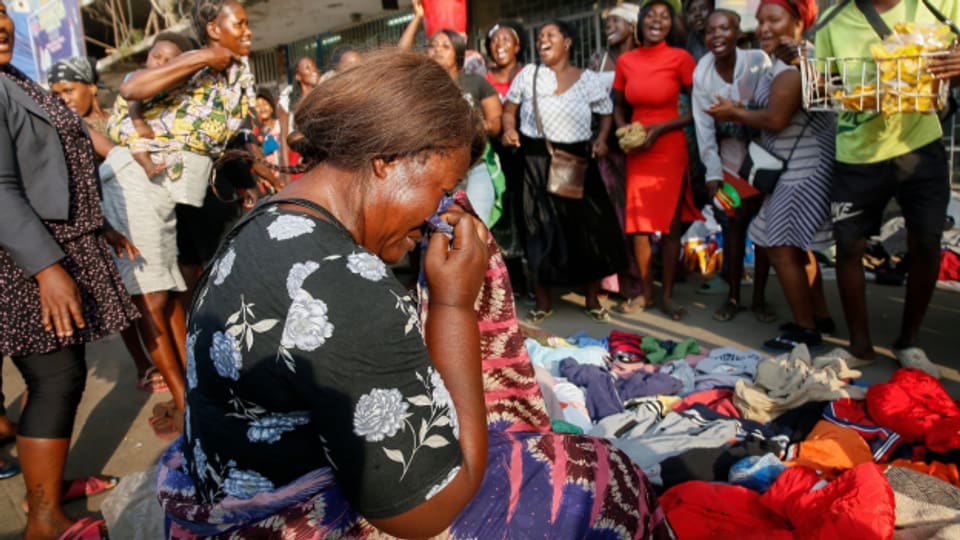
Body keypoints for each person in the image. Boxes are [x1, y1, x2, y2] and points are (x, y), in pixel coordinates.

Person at [156, 48, 674, 539]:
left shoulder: (263, 223)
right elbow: (426, 510)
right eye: (443, 188)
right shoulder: (344, 281)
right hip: (287, 521)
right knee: (602, 478)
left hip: (229, 499)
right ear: (387, 160)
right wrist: (453, 307)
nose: (443, 210)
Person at [0, 1, 141, 537]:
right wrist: (47, 269)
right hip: (28, 259)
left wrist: (95, 222)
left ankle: (50, 484)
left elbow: (50, 162)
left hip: (56, 242)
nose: (0, 24)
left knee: (61, 376)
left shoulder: (12, 77)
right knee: (54, 377)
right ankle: (44, 519)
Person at [106, 0, 261, 436]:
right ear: (213, 28)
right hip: (137, 180)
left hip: (171, 189)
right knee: (154, 296)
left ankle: (194, 395)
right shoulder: (201, 62)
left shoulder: (238, 71)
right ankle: (186, 405)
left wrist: (253, 171)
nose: (248, 31)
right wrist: (199, 56)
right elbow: (132, 89)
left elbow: (217, 135)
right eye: (240, 23)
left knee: (174, 291)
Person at [815, 0, 960, 377]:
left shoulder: (942, 5)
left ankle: (909, 341)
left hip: (919, 144)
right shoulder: (833, 19)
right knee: (849, 246)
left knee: (927, 241)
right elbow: (825, 82)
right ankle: (859, 346)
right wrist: (812, 73)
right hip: (857, 151)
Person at [705, 0, 835, 351]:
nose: (763, 28)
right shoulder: (782, 62)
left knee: (778, 245)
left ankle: (805, 330)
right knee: (794, 245)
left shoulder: (795, 63)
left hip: (801, 170)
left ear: (798, 22)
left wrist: (735, 112)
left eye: (773, 20)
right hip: (793, 168)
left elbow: (777, 118)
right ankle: (818, 314)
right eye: (760, 21)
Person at [502, 20, 628, 323]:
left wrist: (600, 139)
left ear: (567, 42)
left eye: (550, 35)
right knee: (539, 231)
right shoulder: (529, 75)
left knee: (586, 231)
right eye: (541, 36)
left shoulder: (587, 79)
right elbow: (509, 109)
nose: (543, 40)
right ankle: (543, 301)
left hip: (577, 163)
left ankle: (591, 299)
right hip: (536, 161)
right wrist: (508, 129)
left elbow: (606, 112)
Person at [613, 0, 701, 320]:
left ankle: (667, 296)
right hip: (638, 151)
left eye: (664, 17)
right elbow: (619, 106)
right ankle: (646, 293)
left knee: (671, 226)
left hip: (669, 146)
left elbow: (696, 109)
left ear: (671, 25)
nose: (657, 21)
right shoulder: (626, 61)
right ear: (640, 22)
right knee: (639, 226)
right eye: (651, 15)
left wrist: (661, 128)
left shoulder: (681, 58)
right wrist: (624, 129)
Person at [691, 9, 775, 324]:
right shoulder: (702, 73)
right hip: (728, 160)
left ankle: (760, 299)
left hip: (765, 156)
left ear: (737, 32)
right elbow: (703, 126)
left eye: (724, 29)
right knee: (733, 225)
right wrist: (712, 172)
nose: (716, 36)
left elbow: (772, 110)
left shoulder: (758, 62)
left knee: (764, 229)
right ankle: (734, 297)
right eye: (710, 31)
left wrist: (737, 110)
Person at [589, 3, 647, 308]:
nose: (609, 25)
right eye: (607, 22)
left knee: (635, 219)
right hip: (604, 149)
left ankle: (637, 281)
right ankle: (611, 280)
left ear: (632, 24)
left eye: (615, 21)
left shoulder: (641, 57)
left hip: (637, 146)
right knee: (610, 216)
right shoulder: (598, 60)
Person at [254, 88, 281, 166]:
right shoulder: (255, 133)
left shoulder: (280, 126)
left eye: (265, 104)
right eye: (257, 106)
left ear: (272, 107)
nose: (262, 108)